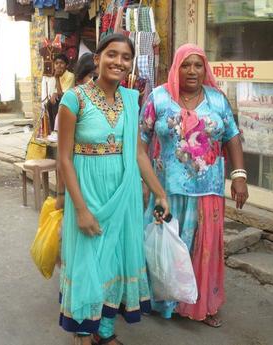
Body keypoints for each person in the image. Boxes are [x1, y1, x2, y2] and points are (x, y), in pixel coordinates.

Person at [57, 33, 169, 345]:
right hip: (88, 193)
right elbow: (64, 159)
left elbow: (139, 154)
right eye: (112, 54)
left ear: (131, 64)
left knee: (116, 261)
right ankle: (83, 331)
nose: (118, 62)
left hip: (124, 193)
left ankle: (104, 332)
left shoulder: (132, 101)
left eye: (125, 57)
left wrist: (159, 192)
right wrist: (79, 209)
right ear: (98, 58)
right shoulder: (74, 99)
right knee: (88, 263)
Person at [140, 44, 248, 327]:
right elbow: (141, 139)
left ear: (205, 69)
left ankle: (201, 304)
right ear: (176, 67)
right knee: (166, 247)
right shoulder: (159, 98)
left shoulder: (217, 99)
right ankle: (163, 301)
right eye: (186, 64)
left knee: (204, 249)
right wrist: (144, 181)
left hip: (207, 191)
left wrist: (238, 176)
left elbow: (232, 137)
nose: (192, 70)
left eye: (198, 65)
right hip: (167, 191)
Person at [42, 53, 75, 131]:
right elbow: (56, 91)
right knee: (49, 104)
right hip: (61, 98)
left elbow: (63, 95)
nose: (59, 66)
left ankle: (58, 130)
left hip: (69, 101)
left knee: (57, 102)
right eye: (56, 63)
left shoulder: (70, 75)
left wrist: (56, 78)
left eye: (62, 63)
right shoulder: (58, 75)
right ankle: (53, 129)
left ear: (66, 65)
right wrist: (53, 94)